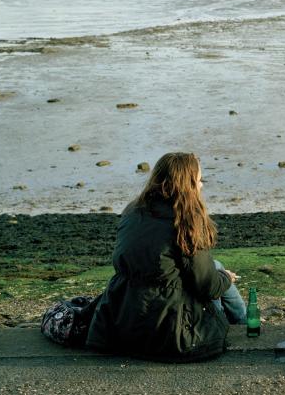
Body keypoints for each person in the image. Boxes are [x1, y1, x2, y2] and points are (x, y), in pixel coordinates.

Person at [87, 152, 245, 361]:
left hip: (124, 318)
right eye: (199, 180)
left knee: (214, 265)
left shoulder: (133, 210)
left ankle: (244, 321)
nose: (201, 186)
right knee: (217, 271)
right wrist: (226, 277)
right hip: (169, 331)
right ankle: (246, 326)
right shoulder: (187, 221)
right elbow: (208, 286)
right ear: (186, 184)